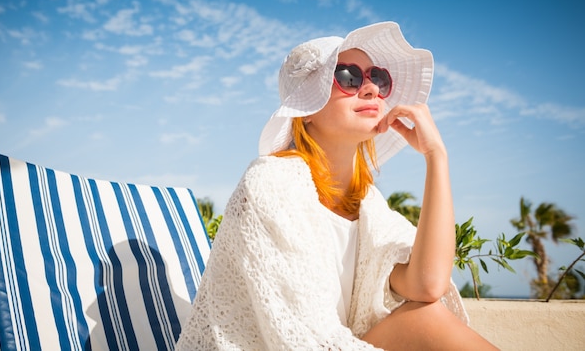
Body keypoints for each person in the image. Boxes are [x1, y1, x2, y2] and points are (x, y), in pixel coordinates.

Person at [176, 22, 498, 350]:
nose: (371, 89)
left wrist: (436, 157)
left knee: (425, 316)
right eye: (348, 77)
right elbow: (302, 339)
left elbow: (427, 286)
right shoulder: (271, 185)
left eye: (378, 77)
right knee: (425, 322)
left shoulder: (369, 206)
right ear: (306, 110)